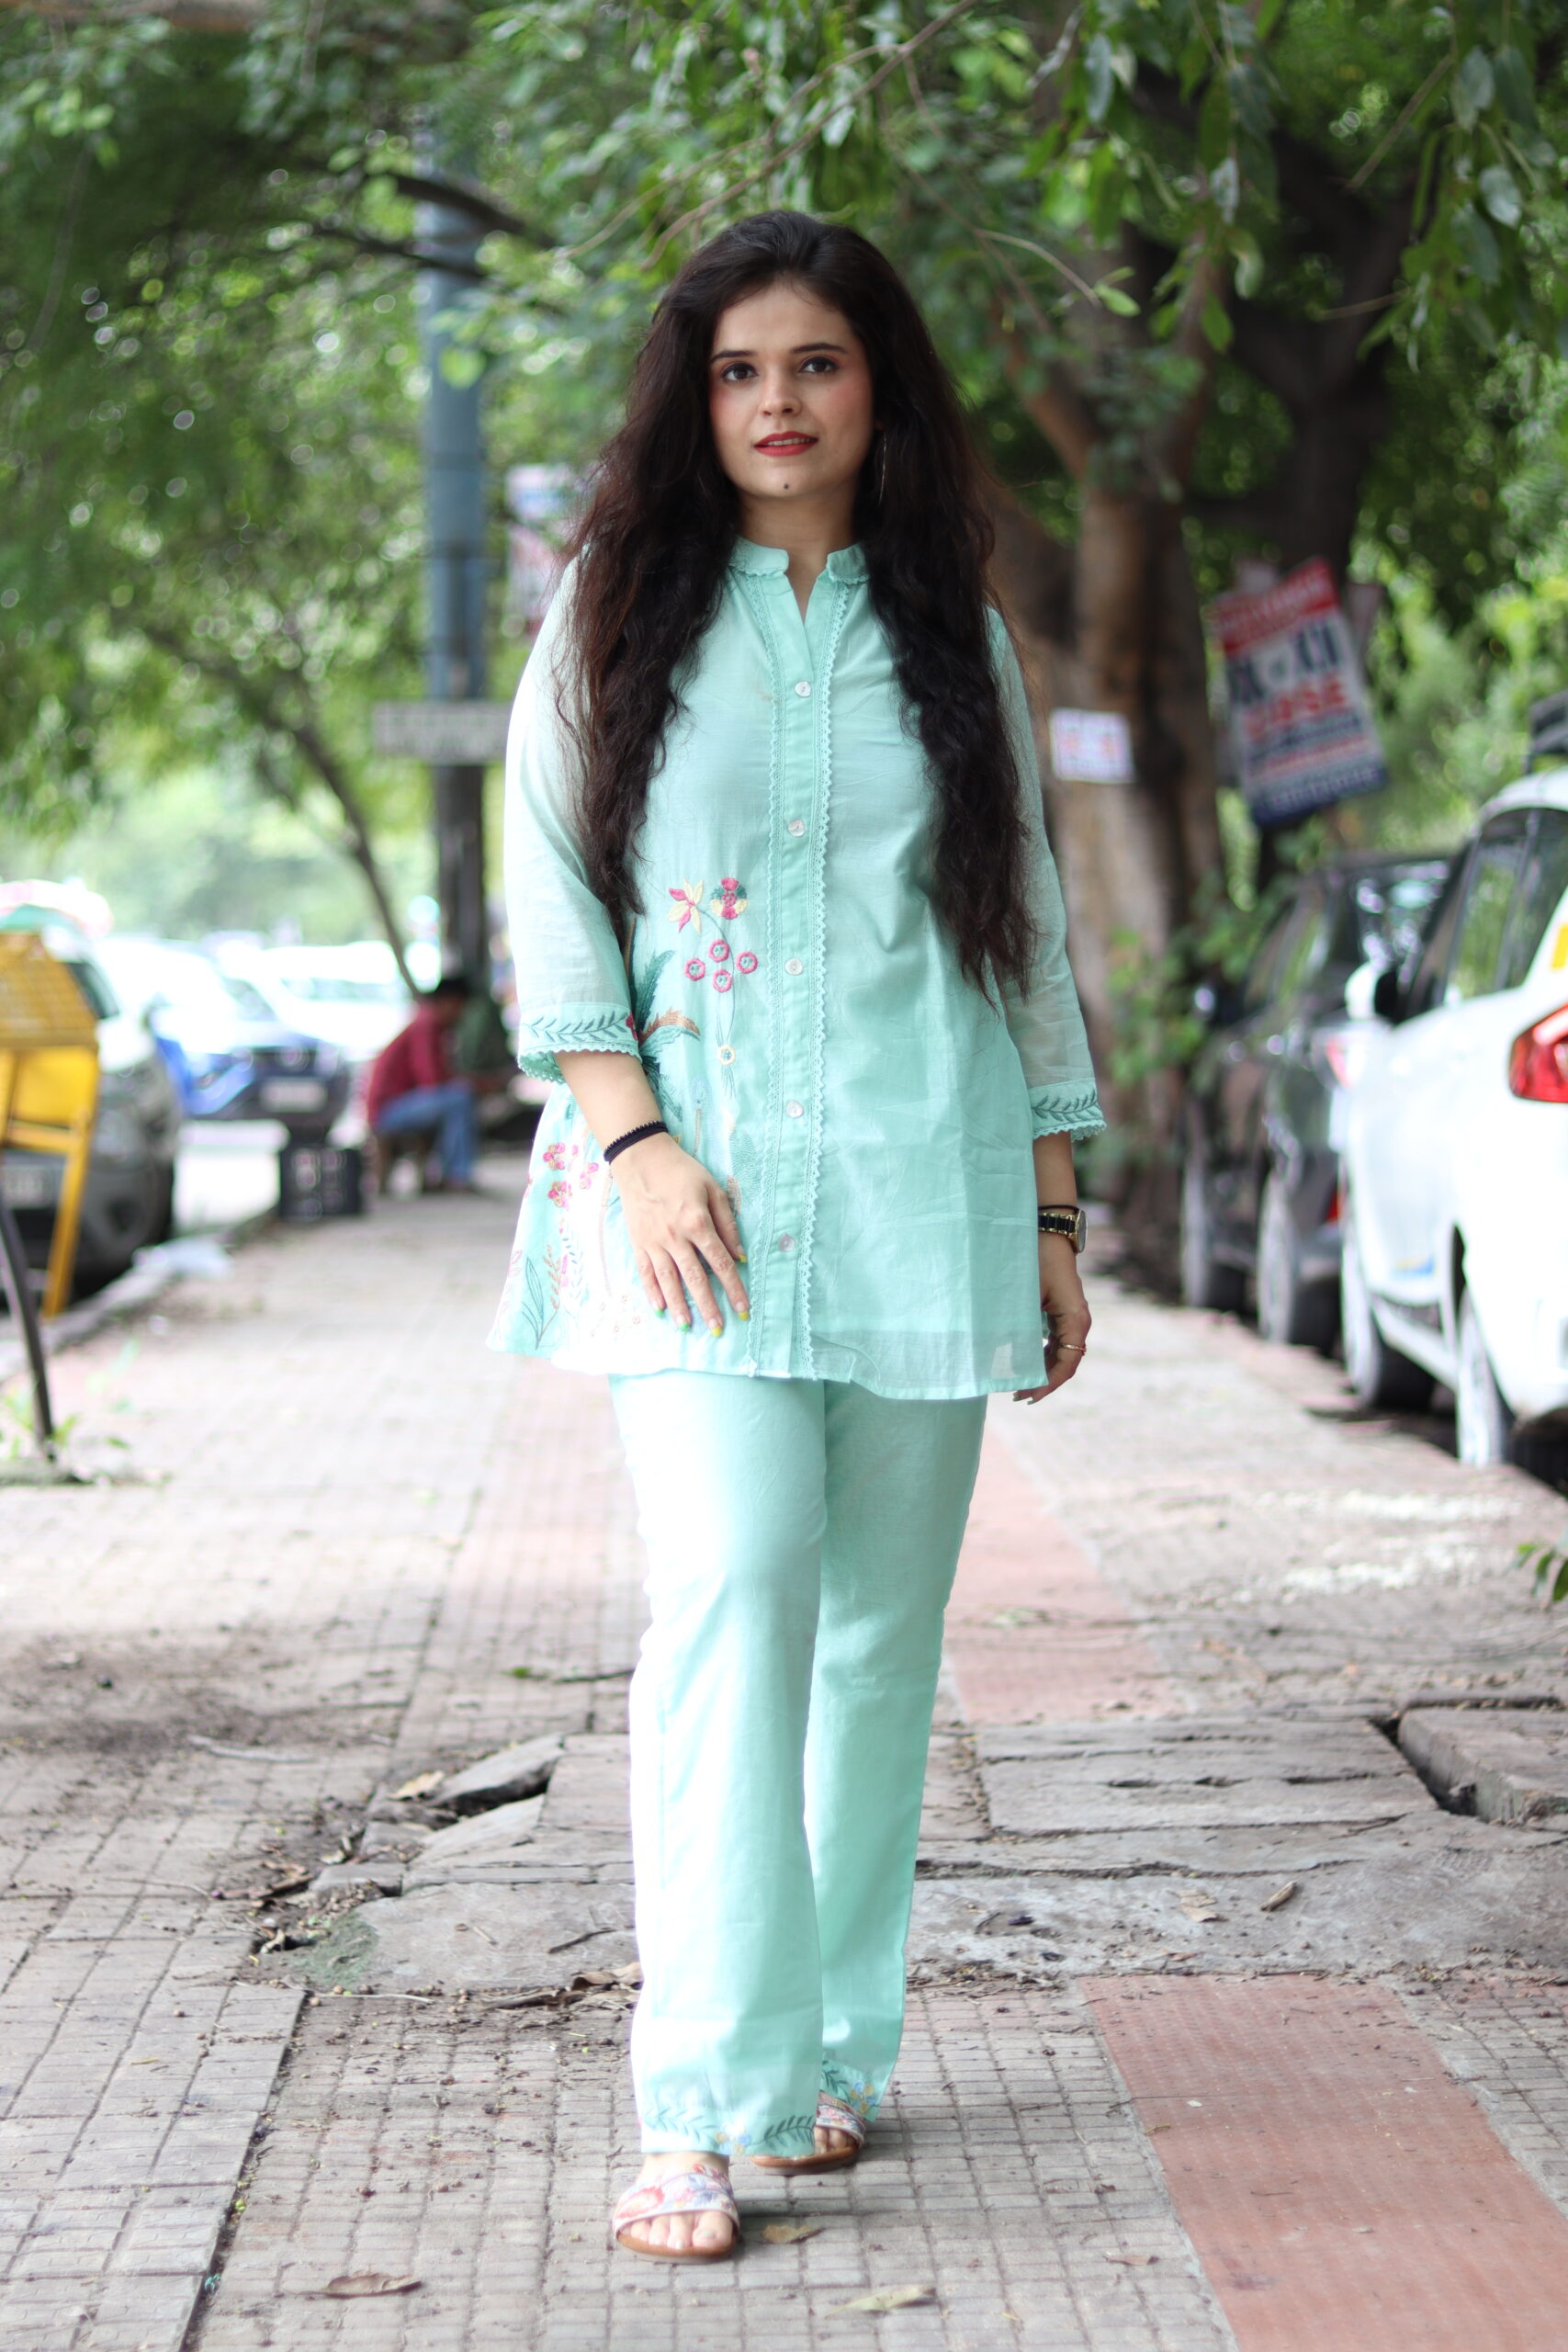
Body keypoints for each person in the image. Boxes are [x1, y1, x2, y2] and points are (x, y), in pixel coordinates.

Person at [491, 209, 1101, 2263]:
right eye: (740, 369)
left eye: (815, 364)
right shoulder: (612, 609)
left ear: (875, 388)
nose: (776, 403)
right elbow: (548, 891)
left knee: (875, 1645)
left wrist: (1050, 1207)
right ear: (696, 397)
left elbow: (1021, 928)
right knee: (735, 1590)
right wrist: (635, 1140)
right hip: (695, 1205)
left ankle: (825, 2050)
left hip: (930, 1189)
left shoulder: (954, 629)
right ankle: (694, 2104)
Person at [365, 974, 481, 1193]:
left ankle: (450, 1174)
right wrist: (478, 1083)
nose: (461, 1014)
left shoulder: (432, 1025)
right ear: (447, 1002)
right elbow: (431, 1081)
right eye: (459, 1007)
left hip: (401, 1104)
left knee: (459, 1096)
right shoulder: (425, 1025)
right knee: (460, 1097)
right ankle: (457, 1176)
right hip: (387, 1111)